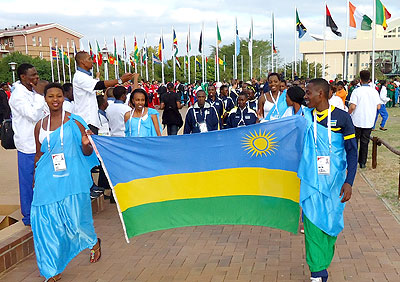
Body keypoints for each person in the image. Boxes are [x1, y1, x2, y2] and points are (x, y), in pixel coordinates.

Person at [32, 83, 101, 281]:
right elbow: (39, 155)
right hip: (47, 180)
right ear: (45, 99)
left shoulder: (75, 121)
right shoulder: (40, 125)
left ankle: (93, 241)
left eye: (59, 96)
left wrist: (87, 144)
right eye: (51, 96)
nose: (55, 99)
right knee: (45, 223)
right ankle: (52, 270)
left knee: (75, 221)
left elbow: (87, 151)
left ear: (64, 98)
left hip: (72, 180)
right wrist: (35, 179)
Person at [298, 78, 357, 282]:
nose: (306, 96)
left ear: (320, 94)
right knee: (313, 224)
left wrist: (349, 181)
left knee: (330, 225)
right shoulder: (304, 118)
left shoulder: (342, 118)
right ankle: (318, 273)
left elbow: (352, 152)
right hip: (311, 182)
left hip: (335, 183)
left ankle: (322, 262)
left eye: (308, 93)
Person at [9, 63, 44, 226]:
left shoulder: (31, 92)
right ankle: (29, 216)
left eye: (36, 74)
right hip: (27, 145)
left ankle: (40, 212)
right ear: (23, 77)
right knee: (28, 181)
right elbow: (32, 115)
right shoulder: (18, 96)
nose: (36, 78)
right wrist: (38, 96)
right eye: (33, 75)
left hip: (41, 143)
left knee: (41, 180)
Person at [72, 51, 134, 135]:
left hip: (90, 121)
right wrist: (120, 80)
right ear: (82, 61)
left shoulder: (85, 76)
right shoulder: (80, 76)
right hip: (85, 121)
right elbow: (99, 85)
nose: (92, 61)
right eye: (89, 59)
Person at [348, 70, 381, 169]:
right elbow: (378, 106)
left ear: (360, 80)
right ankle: (362, 162)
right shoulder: (374, 91)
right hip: (369, 120)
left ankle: (353, 161)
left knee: (354, 141)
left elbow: (353, 106)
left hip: (357, 120)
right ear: (369, 80)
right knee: (365, 142)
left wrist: (348, 113)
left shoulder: (356, 91)